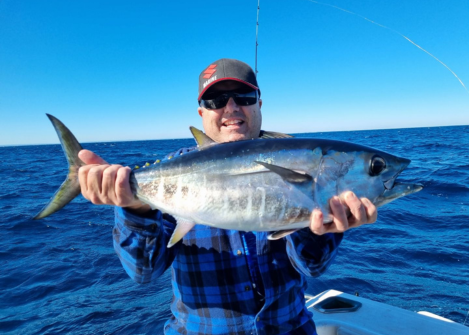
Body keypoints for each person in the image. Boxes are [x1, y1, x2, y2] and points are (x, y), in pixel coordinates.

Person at [78, 58, 377, 335]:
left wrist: (321, 227)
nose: (231, 108)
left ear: (259, 104)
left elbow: (311, 266)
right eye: (217, 100)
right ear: (202, 112)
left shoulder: (297, 159)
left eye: (244, 98)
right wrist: (135, 208)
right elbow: (143, 271)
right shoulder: (170, 174)